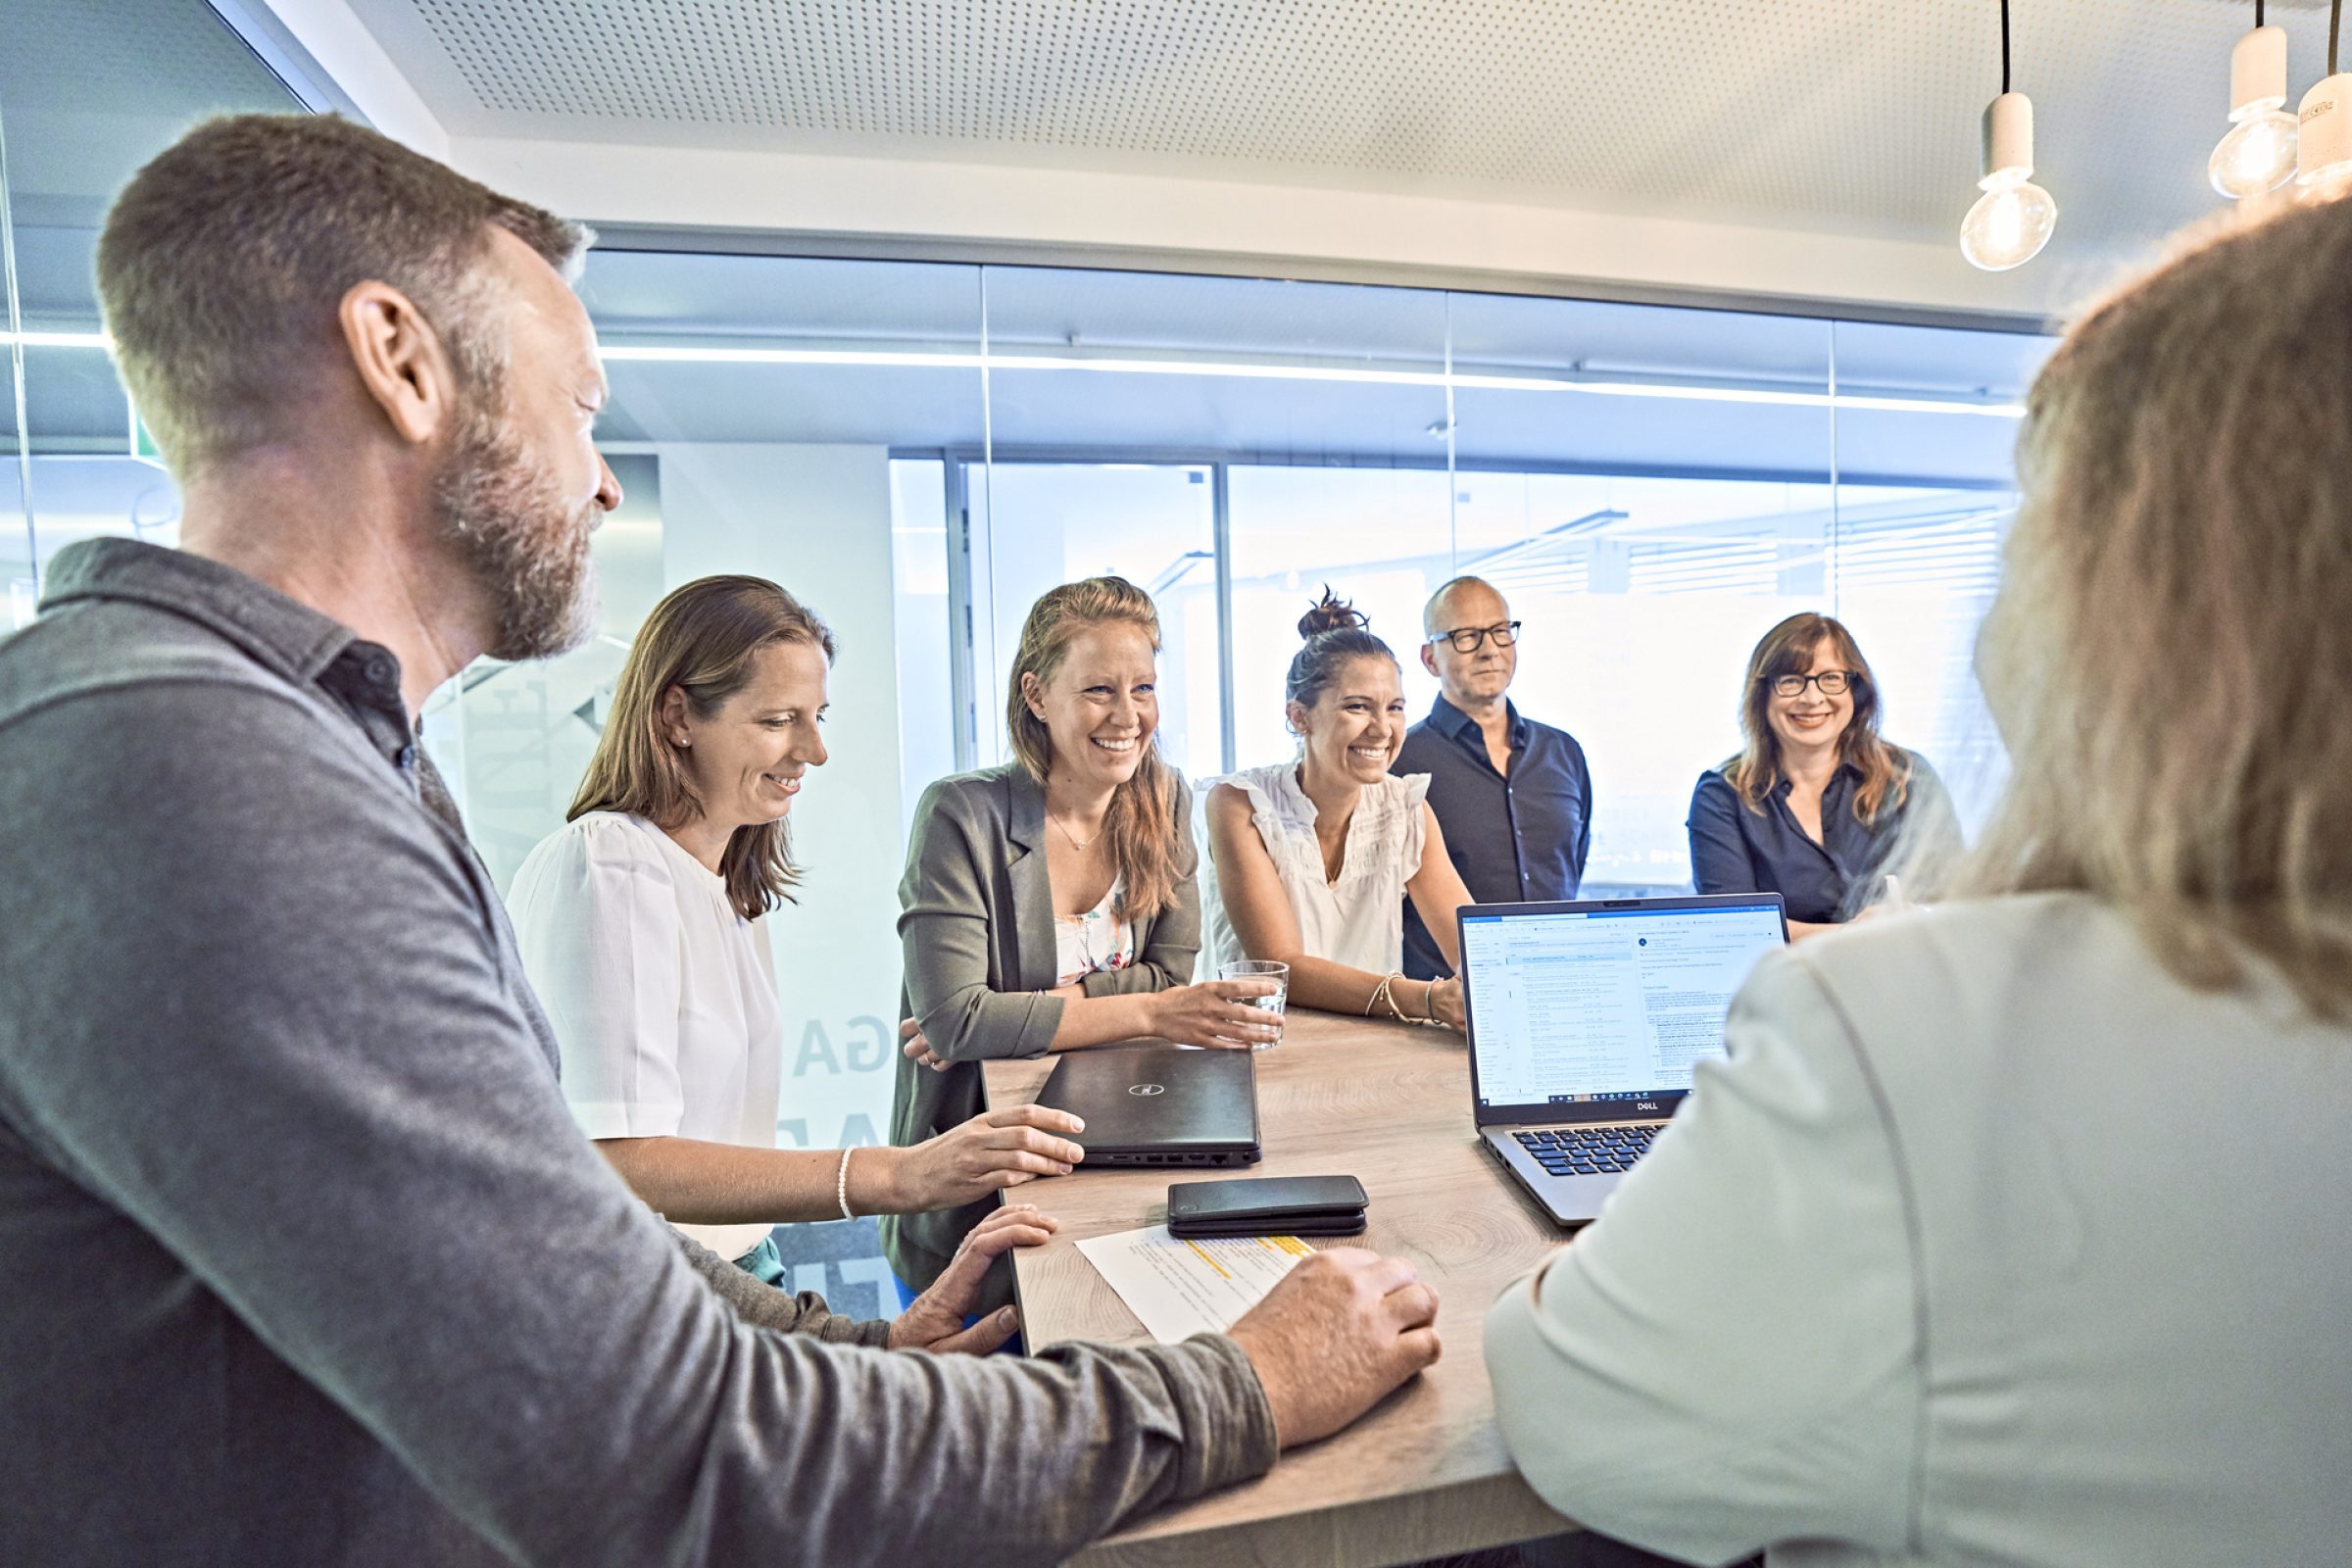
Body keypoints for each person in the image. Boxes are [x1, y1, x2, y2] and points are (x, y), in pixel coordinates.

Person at [0, 114, 1444, 1568]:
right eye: (578, 406)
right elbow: (663, 1448)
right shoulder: (188, 776)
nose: (605, 480)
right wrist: (1241, 1382)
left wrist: (869, 1344)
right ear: (399, 357)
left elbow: (570, 1238)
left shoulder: (291, 745)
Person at [1485, 197, 2352, 1564]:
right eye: (1795, 678)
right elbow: (1749, 920)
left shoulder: (1911, 1033)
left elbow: (1572, 1407)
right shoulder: (1737, 806)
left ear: (2107, 603)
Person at [510, 573, 1086, 1278]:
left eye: (818, 717)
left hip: (739, 1265)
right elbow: (620, 1160)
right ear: (677, 718)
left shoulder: (725, 880)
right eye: (778, 720)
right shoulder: (610, 864)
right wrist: (898, 1177)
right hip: (647, 1291)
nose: (814, 751)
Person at [887, 576, 1282, 1300]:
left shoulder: (1165, 798)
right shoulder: (961, 815)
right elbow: (958, 1019)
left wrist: (1026, 1010)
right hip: (984, 1182)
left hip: (1125, 1139)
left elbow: (1171, 971)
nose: (1128, 715)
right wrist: (1146, 1014)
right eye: (1099, 689)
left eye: (1143, 688)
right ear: (1037, 696)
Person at [1200, 589, 1477, 1029]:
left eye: (1395, 708)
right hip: (1252, 1046)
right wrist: (1428, 998)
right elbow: (1283, 967)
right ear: (1299, 717)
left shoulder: (1406, 810)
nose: (1382, 729)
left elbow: (1474, 950)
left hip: (1369, 1050)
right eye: (1357, 707)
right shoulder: (1239, 805)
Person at [1684, 612, 1959, 937]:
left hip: (1899, 978)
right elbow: (1733, 928)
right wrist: (1854, 935)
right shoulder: (1723, 796)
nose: (1812, 698)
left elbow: (1957, 899)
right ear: (1763, 697)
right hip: (1784, 983)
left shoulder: (1910, 778)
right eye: (1791, 681)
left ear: (1855, 691)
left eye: (1830, 678)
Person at [1394, 575, 1592, 980]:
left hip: (1561, 986)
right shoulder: (1401, 762)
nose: (1489, 650)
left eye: (1501, 632)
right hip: (1444, 1005)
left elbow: (1572, 862)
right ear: (1429, 658)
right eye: (1466, 636)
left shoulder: (1563, 752)